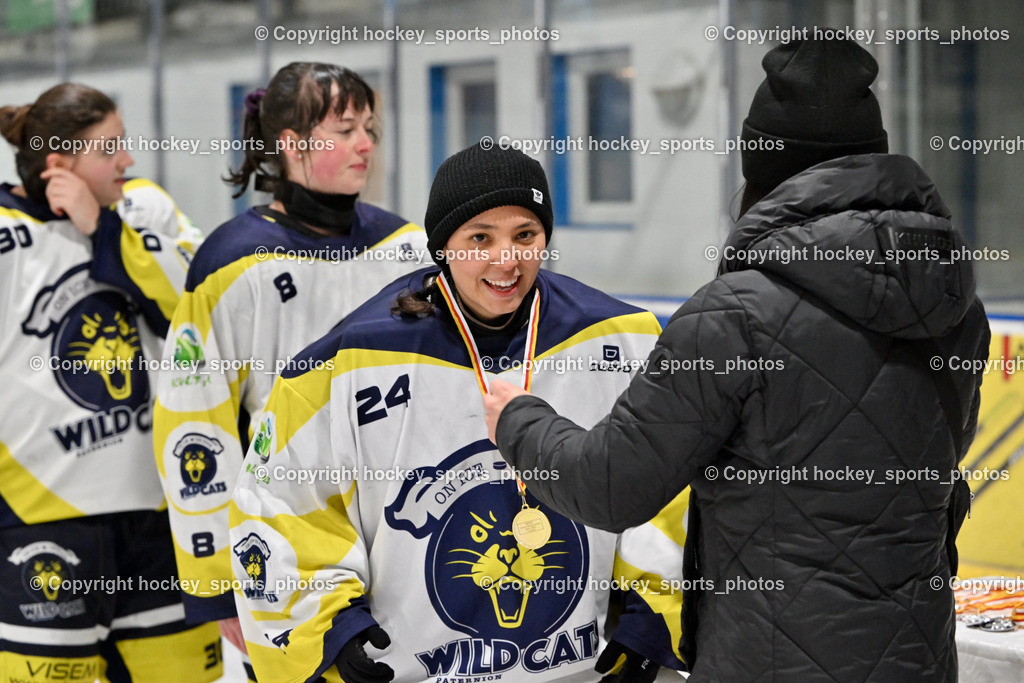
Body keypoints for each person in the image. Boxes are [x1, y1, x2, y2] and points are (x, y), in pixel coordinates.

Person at [484, 38, 991, 682]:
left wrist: (519, 421)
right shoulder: (953, 306)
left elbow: (610, 486)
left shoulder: (732, 317)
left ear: (761, 170)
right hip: (918, 659)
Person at [229, 143, 689, 682]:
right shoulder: (349, 360)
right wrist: (329, 627)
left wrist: (654, 610)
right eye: (480, 239)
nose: (506, 260)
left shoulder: (624, 339)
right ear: (442, 246)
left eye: (525, 235)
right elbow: (280, 501)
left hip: (579, 670)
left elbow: (669, 485)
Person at [153, 61, 429, 670]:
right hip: (286, 543)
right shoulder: (232, 262)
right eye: (345, 130)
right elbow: (194, 425)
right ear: (292, 143)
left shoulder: (409, 247)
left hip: (404, 531)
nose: (366, 144)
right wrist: (218, 583)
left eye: (369, 128)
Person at [0, 84, 219, 681]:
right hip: (38, 523)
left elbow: (197, 311)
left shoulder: (144, 211)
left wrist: (103, 229)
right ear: (58, 165)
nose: (128, 159)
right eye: (109, 148)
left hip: (159, 518)